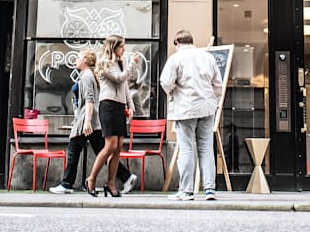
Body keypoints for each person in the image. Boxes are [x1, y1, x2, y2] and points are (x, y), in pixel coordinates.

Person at [50, 49, 138, 195]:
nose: (76, 60)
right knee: (102, 151)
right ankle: (126, 177)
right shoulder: (94, 75)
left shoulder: (87, 76)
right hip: (96, 119)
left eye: (79, 57)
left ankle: (66, 184)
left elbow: (89, 100)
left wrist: (86, 122)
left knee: (73, 150)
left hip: (87, 118)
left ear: (85, 60)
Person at [159, 30, 223, 202]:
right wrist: (213, 101)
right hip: (207, 108)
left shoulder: (175, 58)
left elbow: (165, 82)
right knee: (206, 148)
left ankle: (186, 191)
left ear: (177, 43)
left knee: (186, 148)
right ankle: (210, 189)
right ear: (191, 41)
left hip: (185, 108)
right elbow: (218, 85)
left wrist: (174, 92)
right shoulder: (208, 57)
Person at [84, 34, 138, 197]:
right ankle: (91, 179)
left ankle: (111, 184)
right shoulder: (104, 63)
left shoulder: (120, 62)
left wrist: (130, 105)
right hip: (108, 105)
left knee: (118, 146)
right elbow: (119, 78)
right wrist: (132, 65)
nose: (124, 49)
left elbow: (125, 86)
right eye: (121, 46)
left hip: (119, 106)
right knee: (110, 145)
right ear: (113, 47)